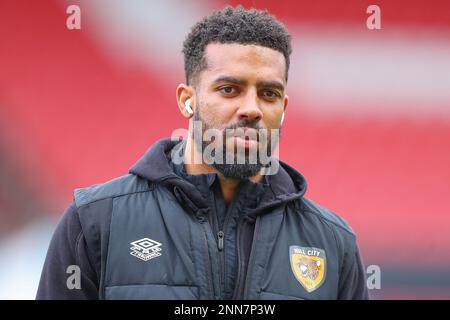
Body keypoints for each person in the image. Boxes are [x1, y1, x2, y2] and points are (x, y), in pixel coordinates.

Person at [37, 6, 368, 300]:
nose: (251, 109)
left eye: (268, 94)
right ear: (186, 99)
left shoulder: (332, 243)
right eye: (229, 89)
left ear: (283, 107)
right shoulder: (96, 222)